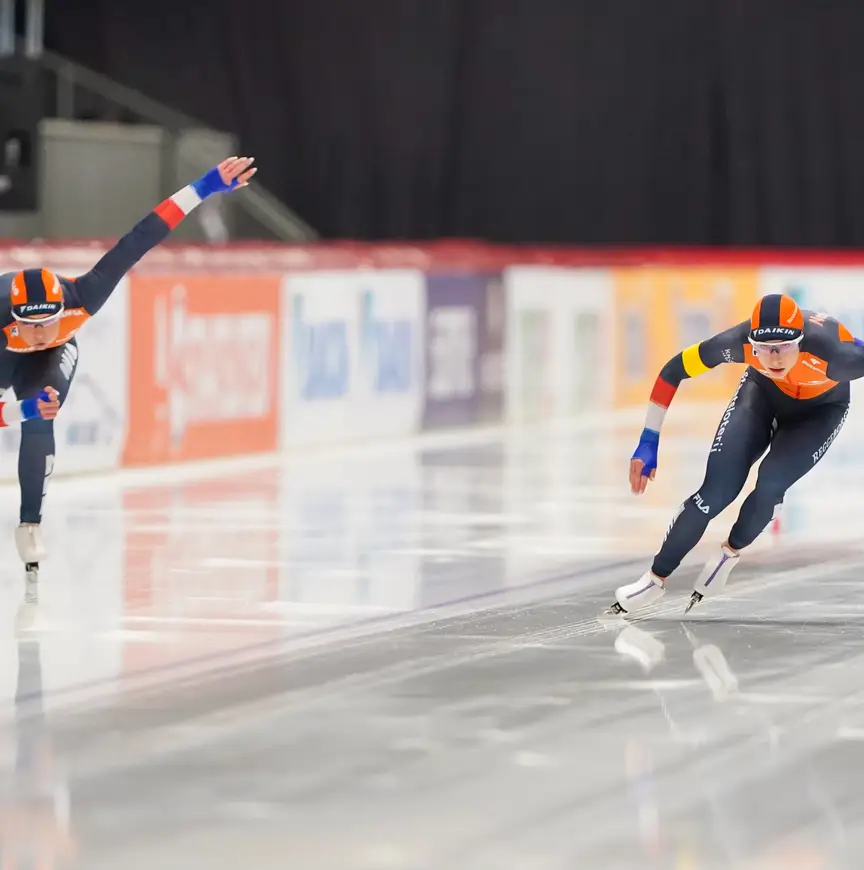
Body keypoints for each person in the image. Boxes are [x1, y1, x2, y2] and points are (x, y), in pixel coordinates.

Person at [0, 156, 256, 590]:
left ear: (64, 308)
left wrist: (207, 185)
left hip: (44, 369)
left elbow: (142, 237)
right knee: (32, 409)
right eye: (32, 325)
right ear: (13, 317)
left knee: (44, 414)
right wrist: (19, 409)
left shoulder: (85, 295)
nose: (42, 334)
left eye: (50, 323)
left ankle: (29, 524)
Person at [610, 293, 864, 615]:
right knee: (715, 492)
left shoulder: (838, 356)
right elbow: (673, 371)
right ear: (751, 342)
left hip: (821, 411)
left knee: (771, 482)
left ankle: (730, 553)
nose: (773, 358)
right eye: (764, 348)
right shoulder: (734, 343)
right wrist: (648, 439)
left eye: (783, 347)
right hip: (761, 395)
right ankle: (653, 579)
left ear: (801, 342)